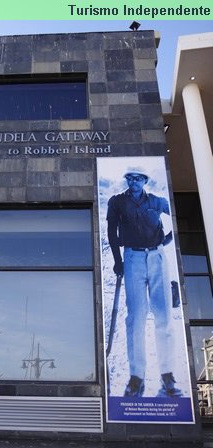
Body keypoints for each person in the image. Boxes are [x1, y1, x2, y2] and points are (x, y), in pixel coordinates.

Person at [106, 166, 181, 398]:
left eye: (139, 178)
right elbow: (111, 231)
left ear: (145, 181)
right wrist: (118, 261)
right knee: (135, 318)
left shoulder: (157, 201)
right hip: (132, 258)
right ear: (127, 179)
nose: (134, 181)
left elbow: (175, 219)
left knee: (163, 316)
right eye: (130, 177)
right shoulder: (117, 202)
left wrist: (167, 240)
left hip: (157, 257)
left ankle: (167, 374)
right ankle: (136, 376)